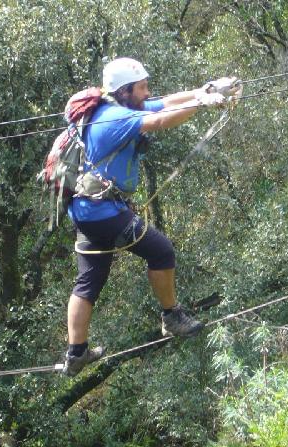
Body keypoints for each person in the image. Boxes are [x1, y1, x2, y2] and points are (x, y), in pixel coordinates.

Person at [61, 57, 240, 376]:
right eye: (141, 88)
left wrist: (204, 90)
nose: (147, 92)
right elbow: (160, 120)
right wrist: (202, 103)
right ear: (125, 91)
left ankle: (77, 353)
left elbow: (166, 102)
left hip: (86, 211)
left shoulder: (116, 108)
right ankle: (171, 316)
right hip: (104, 212)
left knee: (89, 282)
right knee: (161, 251)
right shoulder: (116, 117)